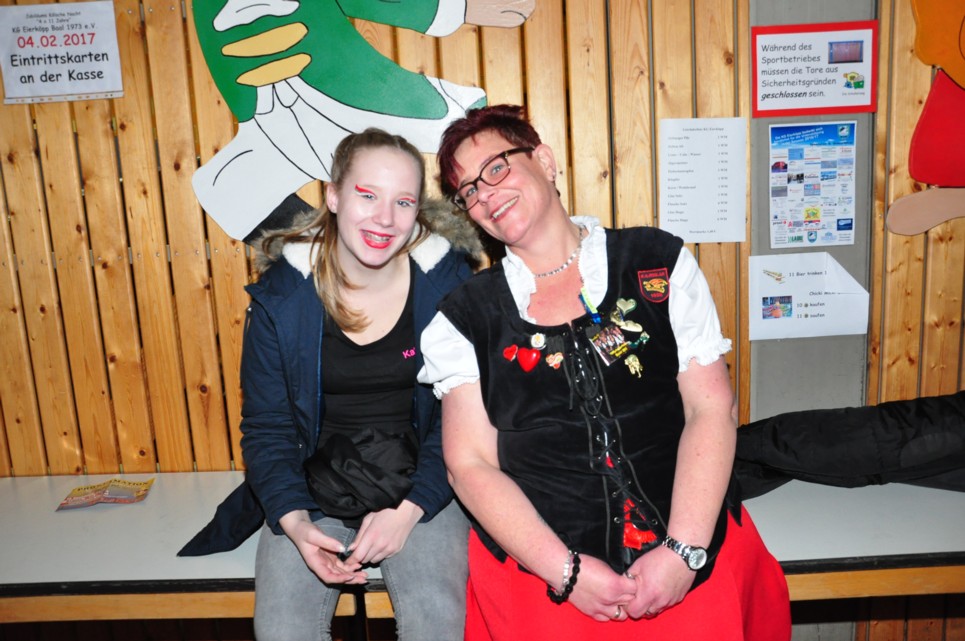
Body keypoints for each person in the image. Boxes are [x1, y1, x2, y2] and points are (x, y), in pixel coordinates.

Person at [418, 105, 791, 640]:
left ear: (545, 161)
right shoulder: (464, 318)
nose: (486, 194)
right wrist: (565, 572)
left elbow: (710, 408)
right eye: (469, 190)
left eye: (497, 167)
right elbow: (469, 463)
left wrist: (684, 551)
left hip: (690, 555)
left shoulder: (657, 263)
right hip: (545, 579)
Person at [184, 128, 477, 641]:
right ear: (334, 196)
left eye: (403, 201)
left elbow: (464, 423)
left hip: (423, 486)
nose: (385, 219)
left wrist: (410, 510)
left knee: (436, 619)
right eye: (367, 195)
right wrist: (295, 524)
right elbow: (269, 429)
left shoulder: (449, 287)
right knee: (282, 629)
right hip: (312, 489)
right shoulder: (282, 299)